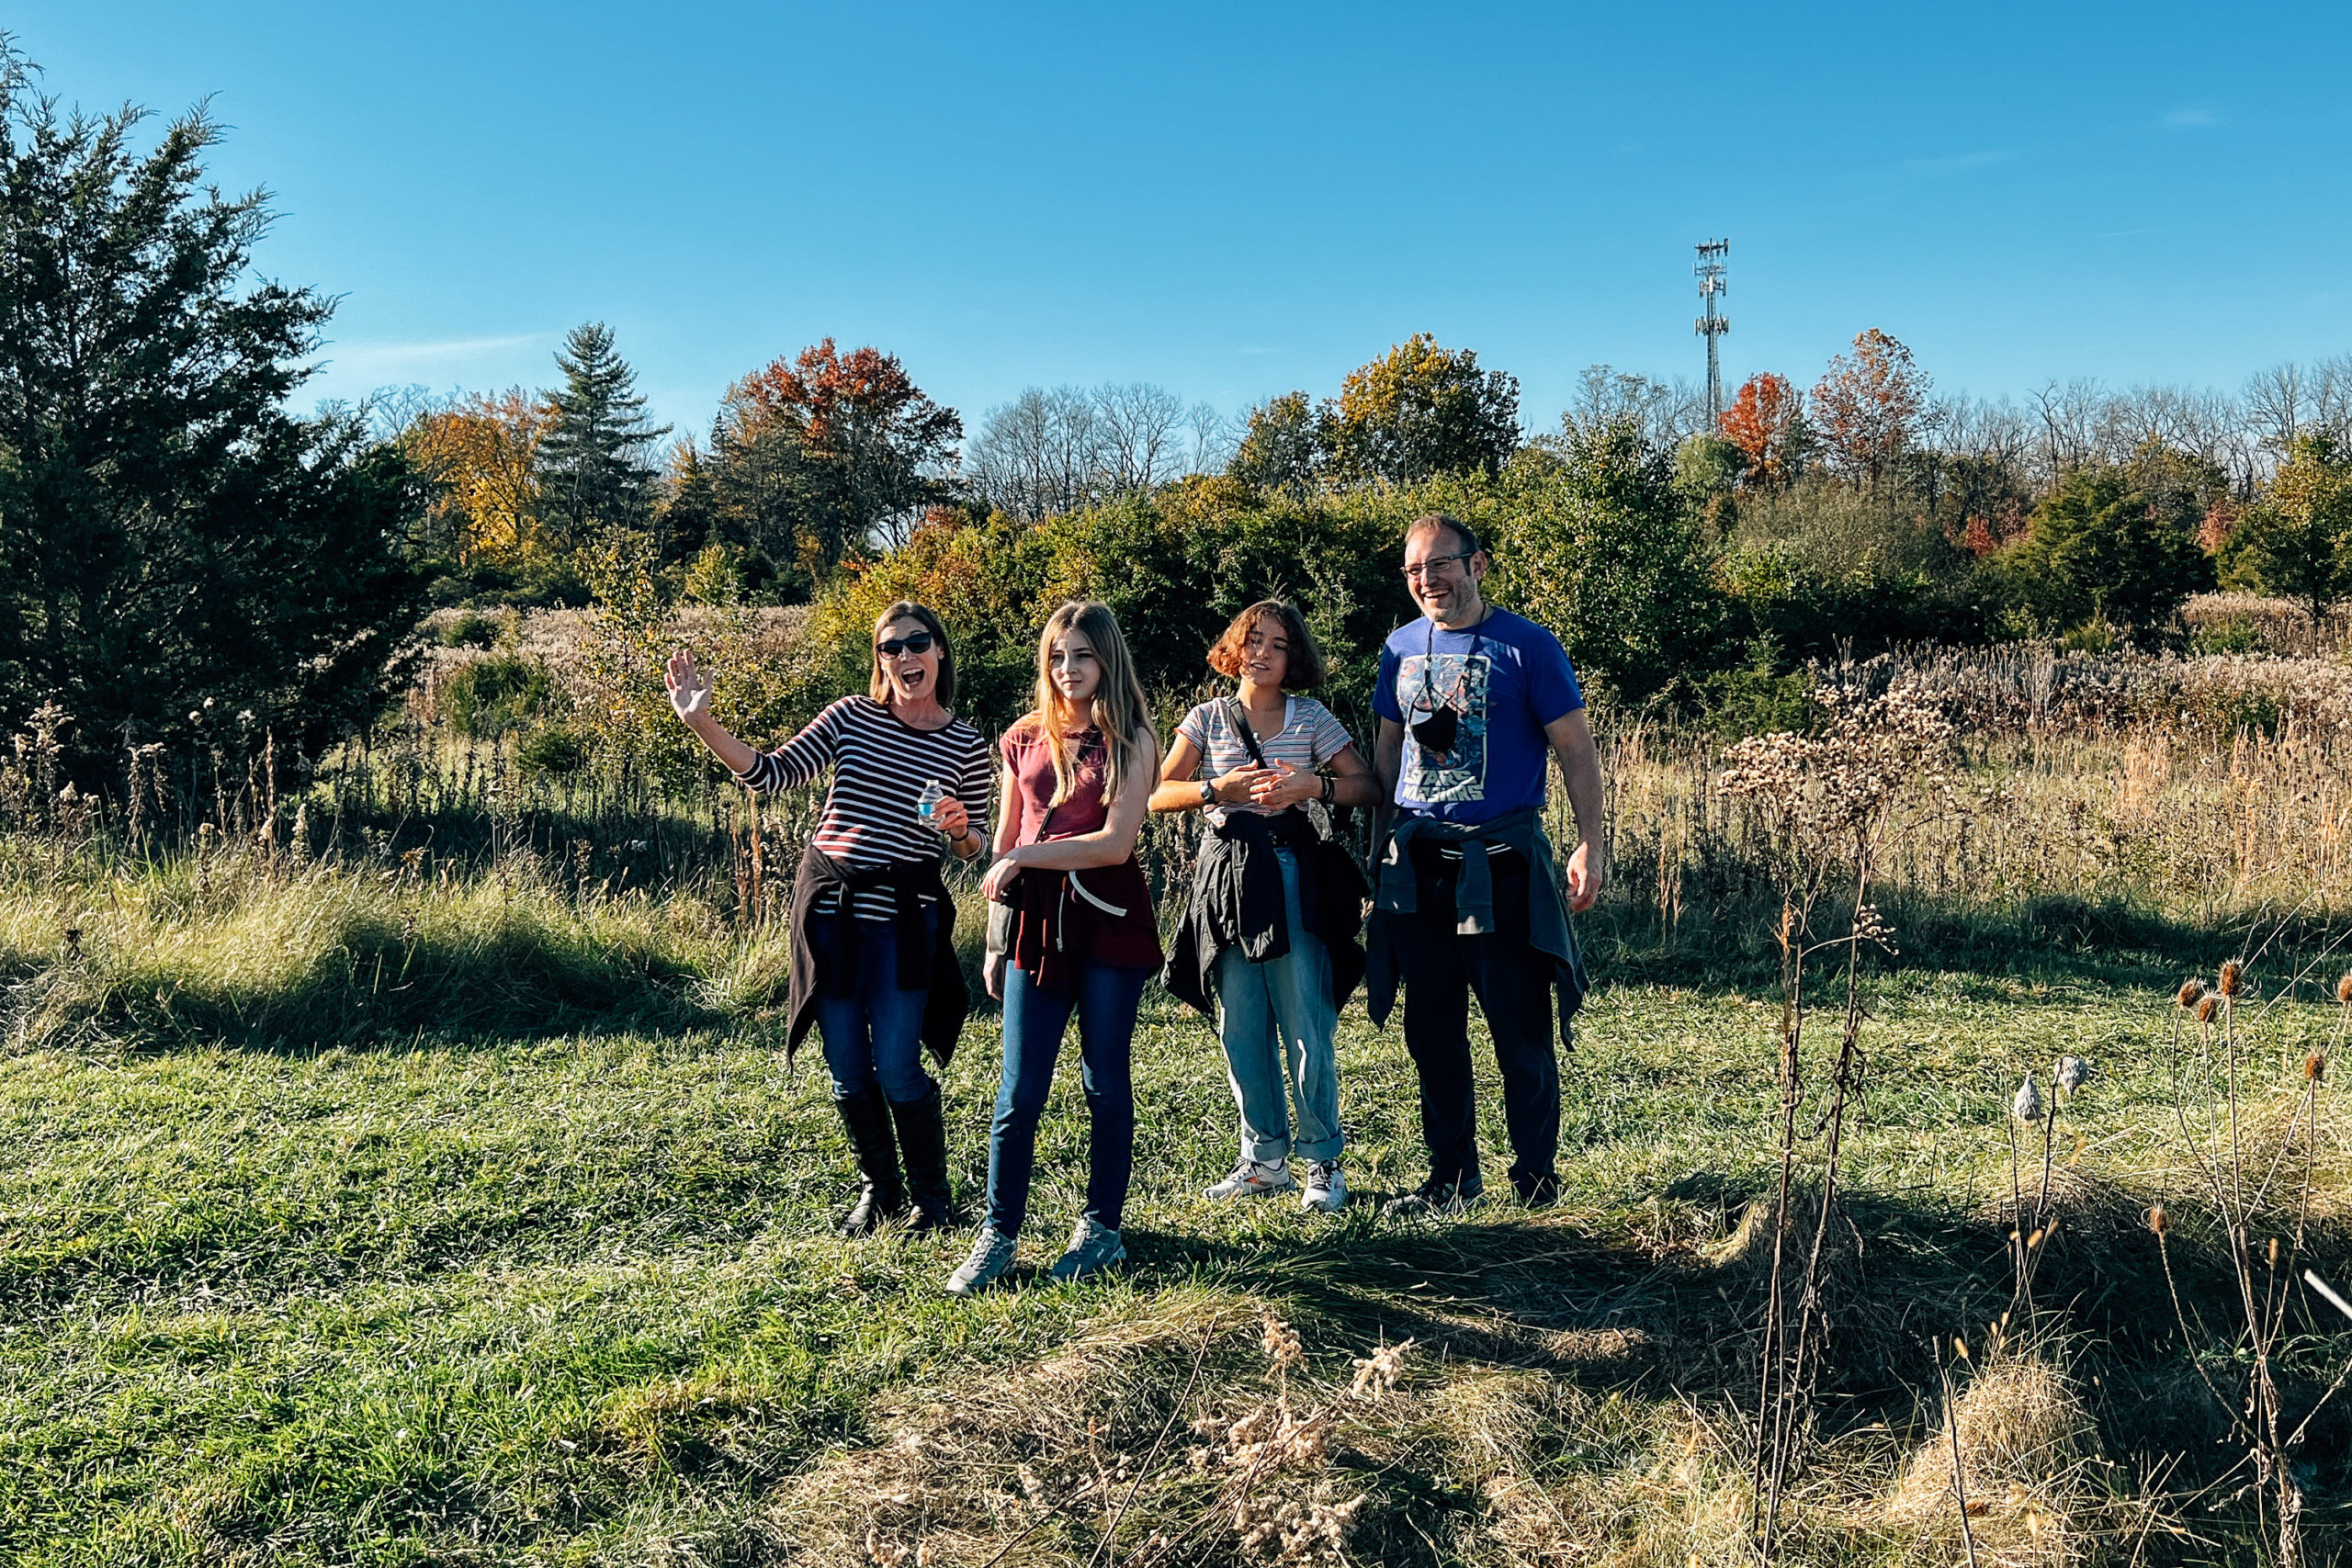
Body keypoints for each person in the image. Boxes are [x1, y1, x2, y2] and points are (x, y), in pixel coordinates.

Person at [665, 601, 989, 1236]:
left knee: (897, 1063)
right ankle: (880, 1191)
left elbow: (977, 843)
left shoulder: (966, 743)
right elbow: (770, 773)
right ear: (879, 660)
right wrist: (700, 721)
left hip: (904, 920)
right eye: (889, 647)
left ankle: (932, 1199)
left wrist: (959, 832)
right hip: (831, 915)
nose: (903, 656)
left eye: (916, 643)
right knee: (845, 1061)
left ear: (940, 651)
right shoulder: (852, 716)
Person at [1367, 515, 1606, 1217]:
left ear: (1478, 565)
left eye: (1441, 564)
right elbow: (1385, 753)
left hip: (1502, 867)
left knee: (1519, 1029)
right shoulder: (1398, 648)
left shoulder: (1529, 646)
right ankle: (1452, 1177)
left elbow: (1577, 750)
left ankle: (1535, 1179)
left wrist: (1591, 841)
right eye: (1414, 570)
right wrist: (1377, 851)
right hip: (1419, 870)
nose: (1428, 579)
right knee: (1432, 1030)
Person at [944, 601, 1163, 1296]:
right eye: (1058, 656)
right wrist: (993, 937)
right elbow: (1004, 846)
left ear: (1108, 660)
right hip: (1034, 924)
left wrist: (1027, 858)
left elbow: (1114, 843)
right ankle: (998, 1234)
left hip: (1108, 920)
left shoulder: (1131, 737)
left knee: (1104, 1078)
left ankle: (1101, 1229)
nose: (1069, 670)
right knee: (1019, 1087)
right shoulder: (1021, 737)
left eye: (1083, 656)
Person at [1152, 600, 1378, 1213]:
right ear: (1235, 648)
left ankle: (1323, 1162)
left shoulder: (1312, 717)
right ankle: (1264, 1158)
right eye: (1252, 641)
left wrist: (1313, 786)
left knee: (1308, 1021)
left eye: (1277, 644)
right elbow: (1155, 793)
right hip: (1225, 877)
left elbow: (1366, 784)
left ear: (1293, 656)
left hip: (1292, 874)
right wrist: (1215, 789)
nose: (1262, 653)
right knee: (1241, 1027)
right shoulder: (1207, 718)